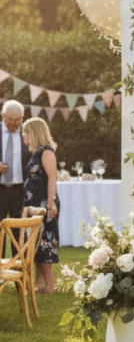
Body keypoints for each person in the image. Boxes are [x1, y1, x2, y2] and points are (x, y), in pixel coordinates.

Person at [21, 117, 60, 293]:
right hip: (33, 204)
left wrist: (50, 203)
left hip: (44, 204)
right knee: (35, 243)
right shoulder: (36, 152)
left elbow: (52, 178)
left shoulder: (46, 152)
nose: (23, 136)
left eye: (26, 132)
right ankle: (41, 284)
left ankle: (50, 285)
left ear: (34, 132)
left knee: (44, 243)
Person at [0, 100, 30, 258]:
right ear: (3, 116)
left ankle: (20, 278)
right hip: (0, 189)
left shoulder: (27, 132)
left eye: (18, 119)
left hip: (20, 190)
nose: (14, 123)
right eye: (10, 119)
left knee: (19, 234)